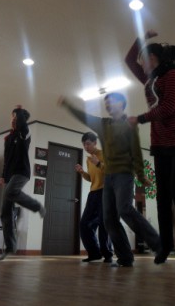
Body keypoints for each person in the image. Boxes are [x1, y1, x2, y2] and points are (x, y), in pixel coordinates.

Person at [58, 92, 161, 267]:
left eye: (111, 102)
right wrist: (68, 105)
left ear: (121, 104)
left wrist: (140, 174)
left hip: (124, 174)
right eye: (105, 103)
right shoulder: (103, 124)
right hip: (109, 177)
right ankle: (125, 257)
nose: (107, 105)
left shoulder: (129, 125)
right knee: (109, 219)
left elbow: (136, 150)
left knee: (125, 209)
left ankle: (158, 244)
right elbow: (84, 116)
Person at [125, 30, 175, 272]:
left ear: (153, 58)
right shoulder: (150, 80)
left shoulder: (174, 76)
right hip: (160, 145)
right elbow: (129, 60)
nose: (141, 63)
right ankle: (165, 247)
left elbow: (167, 108)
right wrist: (141, 37)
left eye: (144, 58)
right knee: (163, 198)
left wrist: (140, 118)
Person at [0, 105, 46, 261]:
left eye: (15, 117)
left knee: (10, 192)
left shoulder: (25, 133)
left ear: (21, 120)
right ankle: (10, 247)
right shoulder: (8, 138)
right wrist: (3, 176)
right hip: (10, 176)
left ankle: (37, 206)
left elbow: (23, 125)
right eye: (12, 117)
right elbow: (7, 159)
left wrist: (19, 111)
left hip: (22, 173)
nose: (13, 120)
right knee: (5, 211)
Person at [75, 132, 113, 263]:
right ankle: (94, 253)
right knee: (84, 224)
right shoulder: (88, 159)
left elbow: (110, 172)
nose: (86, 147)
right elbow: (91, 178)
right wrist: (82, 172)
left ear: (95, 143)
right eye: (84, 145)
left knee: (103, 224)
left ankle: (107, 254)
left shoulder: (104, 155)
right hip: (93, 193)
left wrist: (98, 163)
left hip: (106, 192)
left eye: (88, 144)